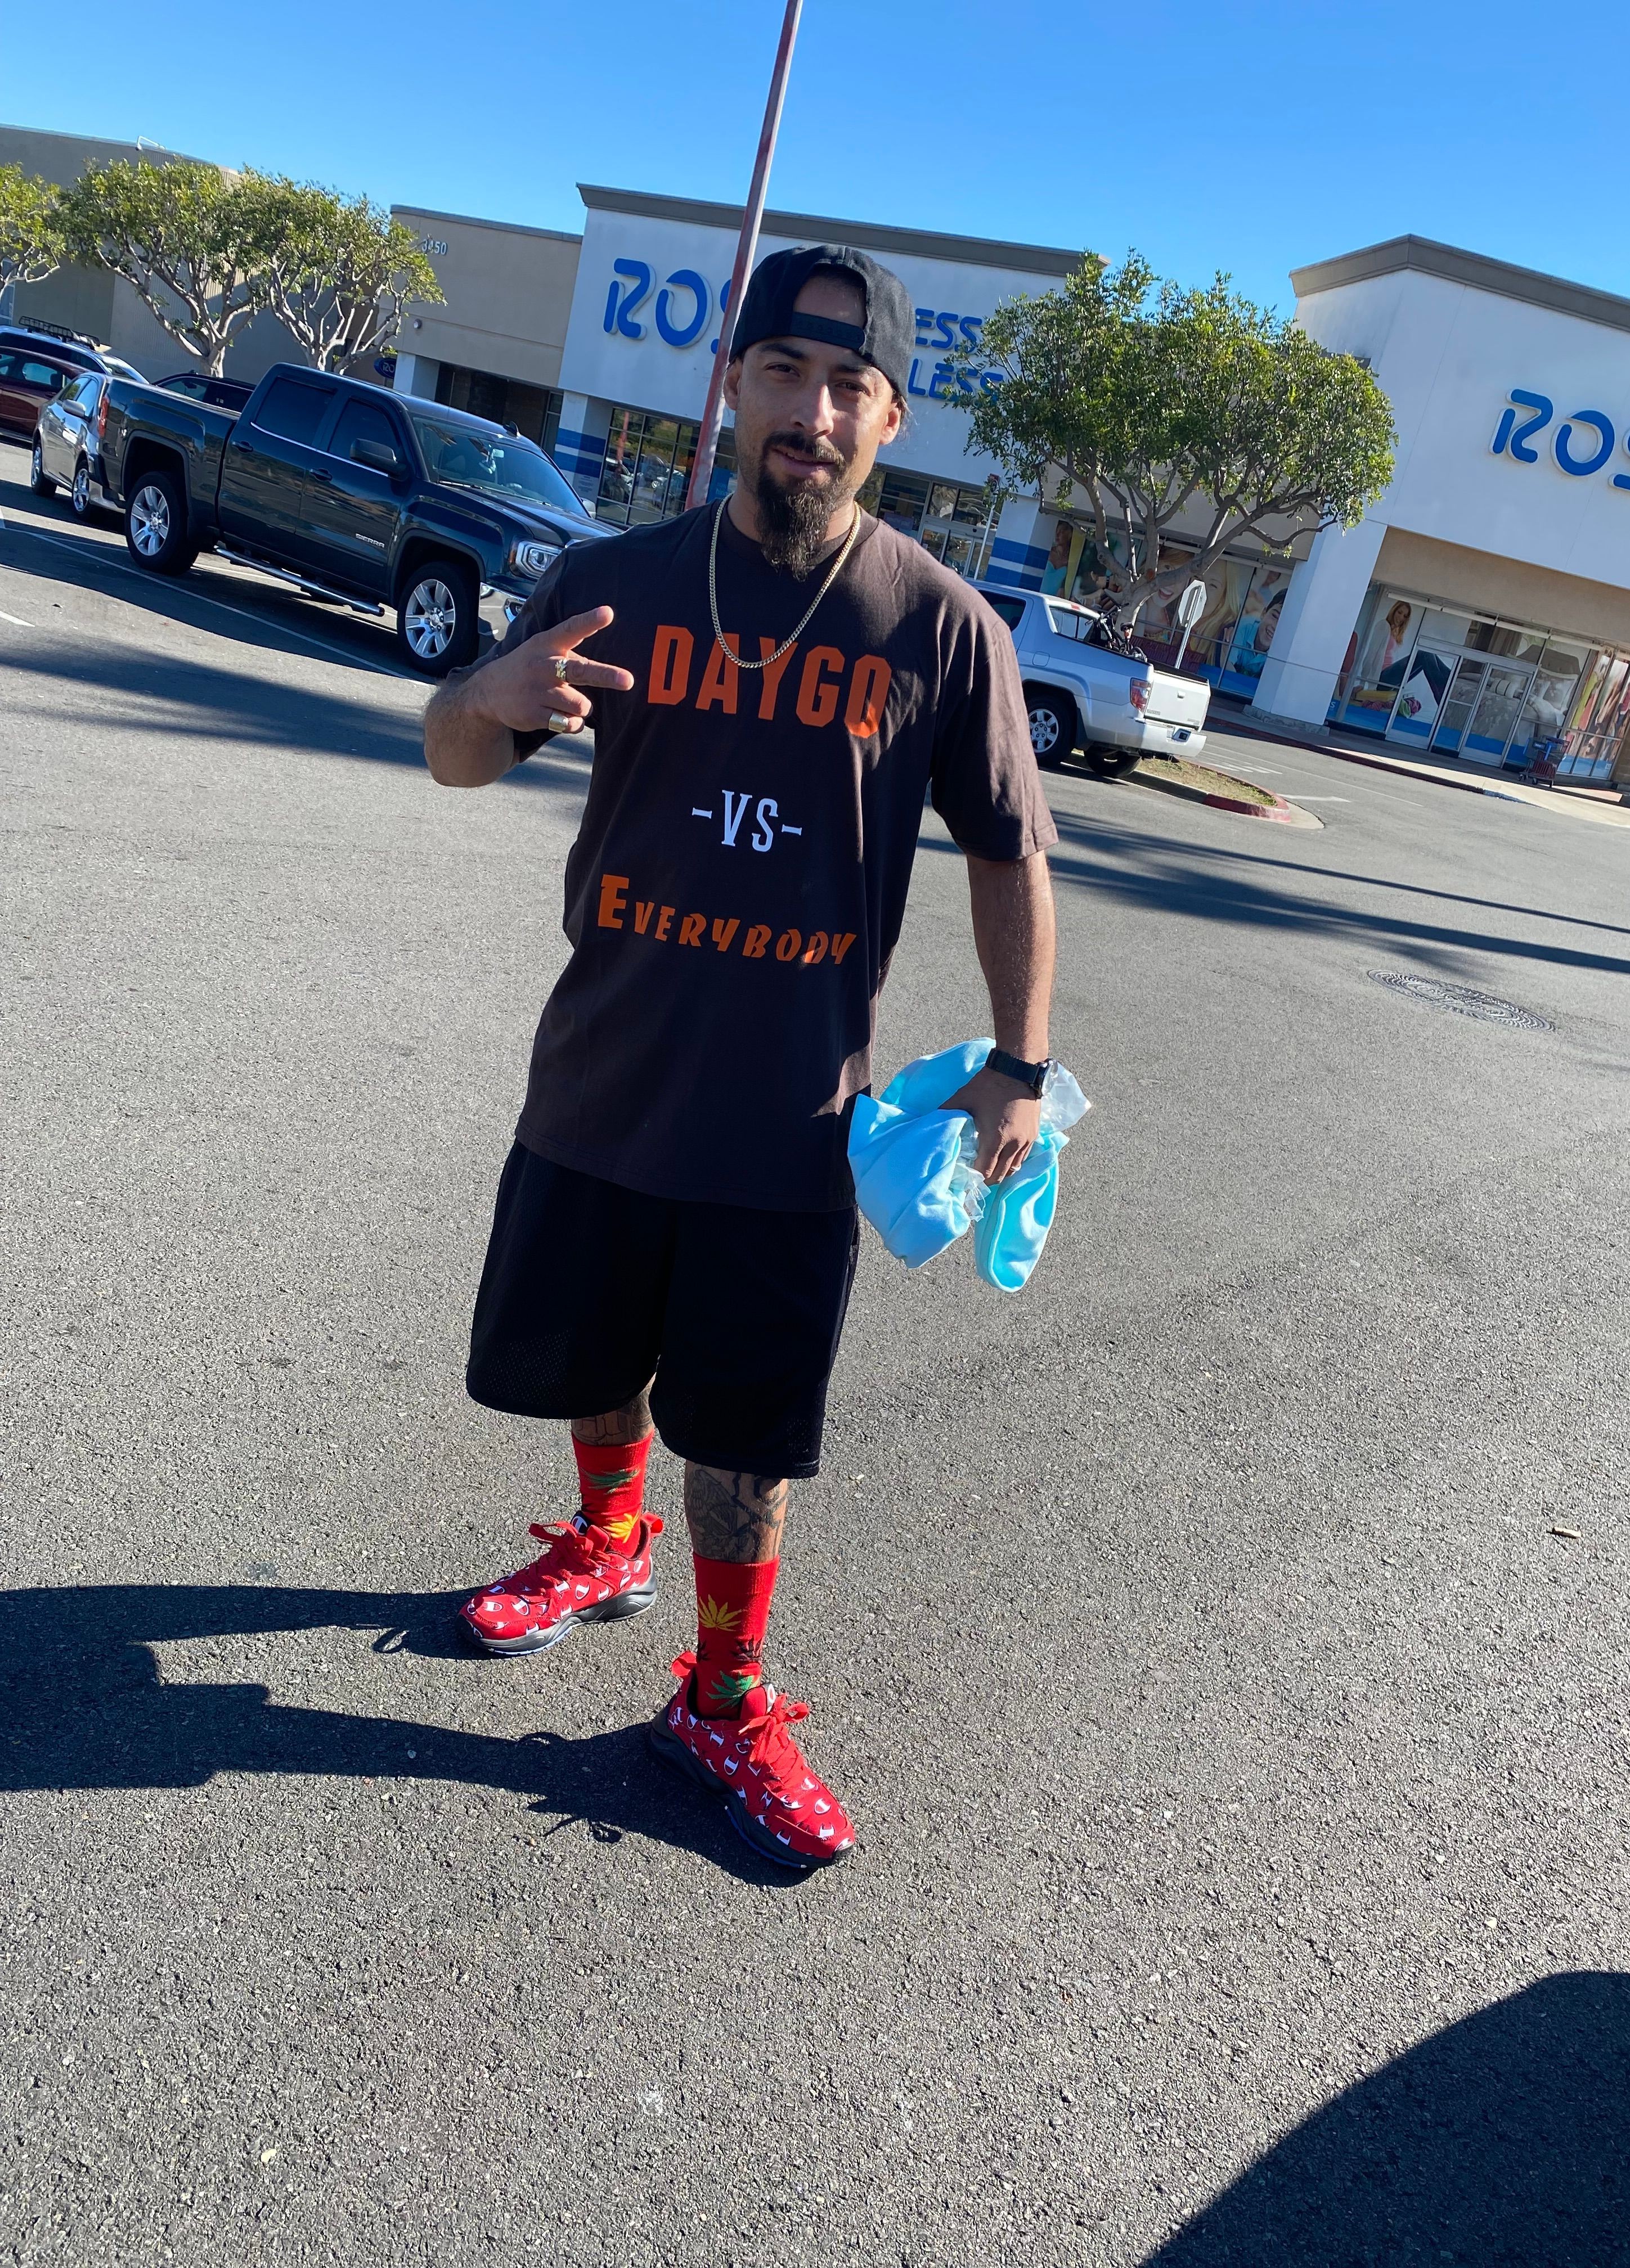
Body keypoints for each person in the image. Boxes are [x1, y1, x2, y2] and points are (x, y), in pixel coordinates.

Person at [420, 245, 1058, 1870]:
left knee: (753, 1439)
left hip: (788, 1125)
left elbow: (1010, 850)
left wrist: (1021, 1063)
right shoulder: (613, 573)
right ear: (734, 386)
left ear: (890, 418)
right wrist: (487, 689)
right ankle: (607, 1537)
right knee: (592, 1363)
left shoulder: (941, 626)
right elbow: (454, 757)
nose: (815, 410)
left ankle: (719, 1697)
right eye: (785, 371)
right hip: (600, 1082)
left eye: (851, 386)